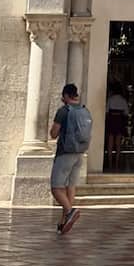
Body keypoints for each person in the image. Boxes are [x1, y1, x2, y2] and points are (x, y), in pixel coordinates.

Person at [50, 83, 91, 234]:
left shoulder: (63, 111)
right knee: (70, 187)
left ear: (66, 96)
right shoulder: (84, 110)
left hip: (65, 153)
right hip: (79, 154)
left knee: (56, 187)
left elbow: (53, 133)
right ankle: (63, 221)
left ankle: (70, 211)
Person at [104, 82, 129, 166]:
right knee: (118, 143)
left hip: (111, 121)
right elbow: (126, 113)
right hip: (119, 121)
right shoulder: (123, 100)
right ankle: (117, 162)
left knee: (110, 143)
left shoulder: (110, 99)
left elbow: (106, 111)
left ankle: (110, 162)